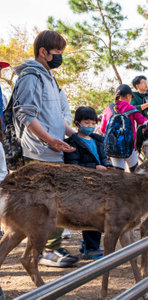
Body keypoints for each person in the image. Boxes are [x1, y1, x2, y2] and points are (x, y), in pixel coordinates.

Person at [13, 30, 78, 267]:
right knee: (45, 205)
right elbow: (25, 113)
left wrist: (74, 135)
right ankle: (45, 251)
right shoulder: (32, 76)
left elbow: (54, 115)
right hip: (39, 152)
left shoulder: (49, 76)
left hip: (54, 150)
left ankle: (51, 247)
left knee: (56, 203)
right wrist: (50, 139)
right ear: (43, 52)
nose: (60, 57)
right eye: (58, 52)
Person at [64, 106, 112, 260]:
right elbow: (72, 166)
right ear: (77, 123)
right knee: (91, 215)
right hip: (84, 184)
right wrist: (93, 167)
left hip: (100, 182)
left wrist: (108, 166)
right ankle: (92, 248)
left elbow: (103, 157)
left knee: (100, 214)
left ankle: (89, 245)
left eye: (93, 123)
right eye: (87, 122)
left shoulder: (98, 139)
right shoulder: (72, 143)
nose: (90, 126)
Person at [100, 84, 147, 172]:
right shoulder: (131, 108)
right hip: (129, 147)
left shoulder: (108, 109)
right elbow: (144, 122)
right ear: (128, 96)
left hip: (113, 148)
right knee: (135, 172)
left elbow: (102, 130)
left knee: (118, 174)